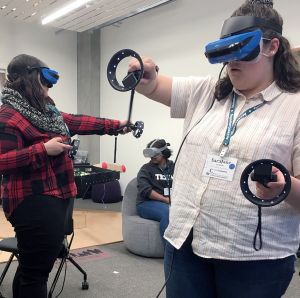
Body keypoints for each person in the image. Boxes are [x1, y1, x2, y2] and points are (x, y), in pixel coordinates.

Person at [128, 1, 300, 297]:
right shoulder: (206, 92)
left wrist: (283, 188)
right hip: (185, 241)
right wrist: (145, 75)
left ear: (272, 47)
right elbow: (152, 86)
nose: (231, 62)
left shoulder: (294, 108)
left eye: (242, 51)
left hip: (252, 256)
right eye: (225, 52)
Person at [0, 54, 131, 298]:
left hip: (56, 197)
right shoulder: (8, 115)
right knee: (37, 273)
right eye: (44, 81)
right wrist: (43, 150)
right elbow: (0, 161)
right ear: (29, 80)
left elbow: (77, 121)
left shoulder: (47, 113)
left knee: (30, 268)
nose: (48, 87)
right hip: (31, 202)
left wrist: (116, 125)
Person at [136, 139, 174, 248]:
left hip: (169, 202)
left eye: (155, 155)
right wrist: (165, 200)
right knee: (167, 213)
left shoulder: (174, 167)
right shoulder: (146, 169)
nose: (152, 158)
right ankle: (170, 254)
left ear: (163, 153)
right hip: (146, 203)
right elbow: (145, 190)